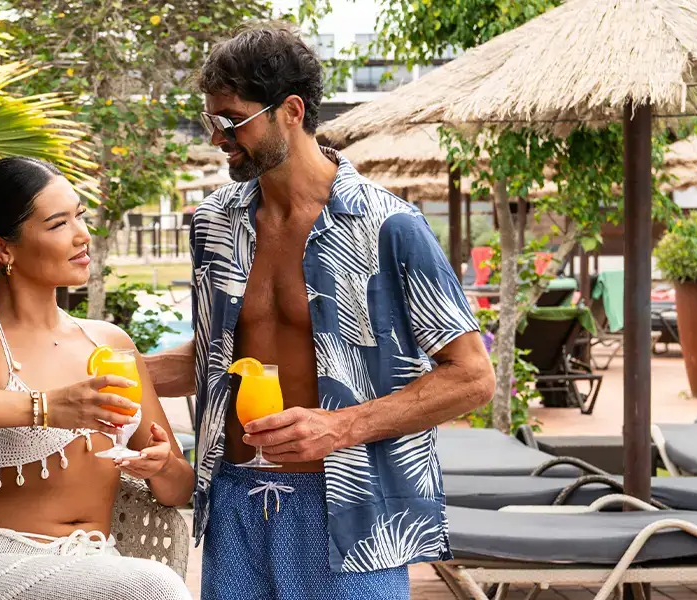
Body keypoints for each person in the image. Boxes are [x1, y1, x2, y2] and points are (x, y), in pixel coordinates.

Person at [143, 21, 495, 599]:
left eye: (231, 120)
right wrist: (94, 367)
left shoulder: (391, 226)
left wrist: (338, 428)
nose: (217, 138)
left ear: (291, 111)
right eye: (212, 121)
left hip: (354, 518)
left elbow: (472, 378)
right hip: (234, 502)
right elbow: (219, 358)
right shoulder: (213, 224)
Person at [0, 157, 195, 600]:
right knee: (157, 588)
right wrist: (46, 407)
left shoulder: (109, 343)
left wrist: (162, 466)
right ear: (2, 249)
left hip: (93, 562)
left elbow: (180, 488)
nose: (82, 235)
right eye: (57, 223)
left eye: (79, 216)